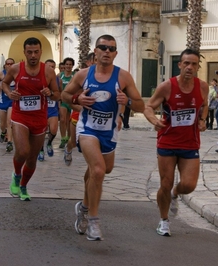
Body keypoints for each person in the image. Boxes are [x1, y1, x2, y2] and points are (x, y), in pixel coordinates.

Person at [61, 34, 144, 241]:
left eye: (111, 48)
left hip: (109, 131)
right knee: (98, 170)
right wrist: (76, 98)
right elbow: (63, 95)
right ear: (95, 52)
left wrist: (129, 102)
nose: (107, 51)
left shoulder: (124, 77)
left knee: (102, 170)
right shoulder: (83, 75)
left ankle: (84, 206)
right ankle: (93, 222)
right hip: (87, 128)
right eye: (103, 47)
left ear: (115, 54)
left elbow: (142, 104)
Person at [143, 48, 209, 236]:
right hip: (168, 142)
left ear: (197, 67)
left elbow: (205, 105)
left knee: (189, 185)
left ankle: (175, 194)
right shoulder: (167, 86)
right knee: (165, 182)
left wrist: (202, 120)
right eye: (186, 63)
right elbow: (148, 106)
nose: (189, 67)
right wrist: (154, 120)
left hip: (190, 143)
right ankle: (164, 221)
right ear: (179, 65)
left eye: (194, 64)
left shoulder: (202, 86)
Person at [1, 37, 60, 201]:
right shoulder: (15, 68)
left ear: (40, 52)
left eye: (36, 52)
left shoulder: (48, 71)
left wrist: (50, 93)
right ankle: (16, 175)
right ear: (24, 52)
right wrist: (9, 93)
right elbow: (4, 84)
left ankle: (24, 186)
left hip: (40, 118)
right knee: (23, 151)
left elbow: (57, 95)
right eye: (29, 52)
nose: (33, 55)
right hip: (20, 116)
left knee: (32, 158)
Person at [64, 52, 96, 166]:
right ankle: (68, 148)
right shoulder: (81, 77)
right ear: (88, 62)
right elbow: (67, 97)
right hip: (78, 115)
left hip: (95, 118)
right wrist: (78, 106)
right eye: (95, 60)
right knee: (73, 142)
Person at [38, 59, 62, 161]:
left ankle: (49, 143)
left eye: (53, 66)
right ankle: (41, 150)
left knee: (54, 129)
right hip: (41, 109)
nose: (51, 68)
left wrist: (60, 107)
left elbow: (59, 94)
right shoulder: (38, 78)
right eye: (49, 66)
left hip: (53, 108)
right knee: (42, 131)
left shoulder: (58, 79)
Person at [0, 58, 15, 152]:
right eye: (8, 63)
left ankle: (10, 142)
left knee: (9, 121)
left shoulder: (16, 74)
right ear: (5, 65)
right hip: (2, 100)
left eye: (11, 63)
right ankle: (3, 132)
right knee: (2, 124)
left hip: (11, 101)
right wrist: (2, 86)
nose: (9, 65)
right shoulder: (1, 74)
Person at [59, 57, 75, 148]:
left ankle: (69, 138)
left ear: (72, 66)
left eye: (70, 64)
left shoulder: (75, 75)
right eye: (67, 64)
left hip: (72, 101)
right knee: (62, 119)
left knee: (69, 120)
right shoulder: (60, 75)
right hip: (63, 101)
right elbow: (57, 88)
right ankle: (62, 138)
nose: (68, 66)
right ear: (64, 65)